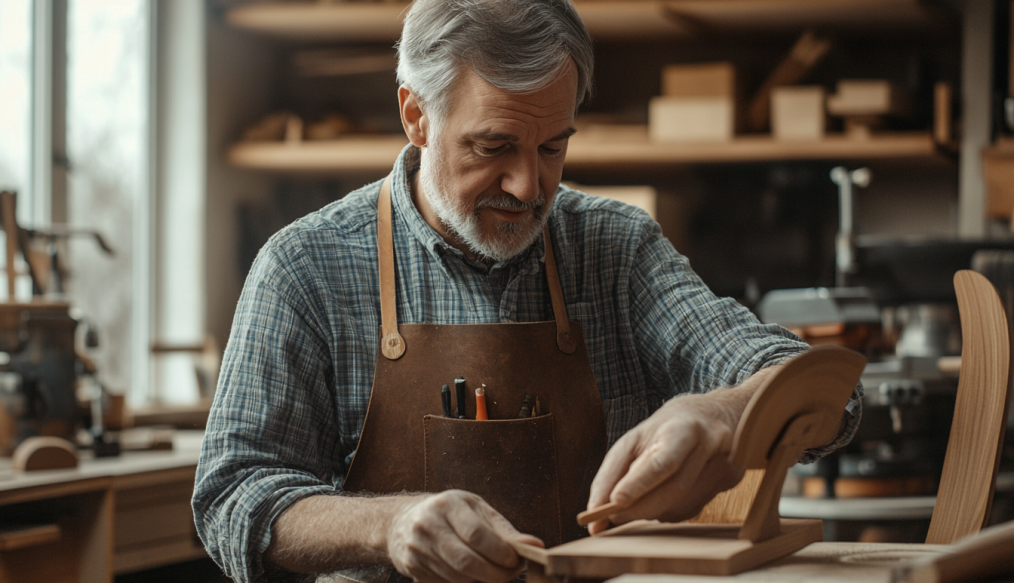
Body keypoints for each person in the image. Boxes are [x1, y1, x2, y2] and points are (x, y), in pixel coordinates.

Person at [193, 1, 862, 582]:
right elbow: (231, 496)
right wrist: (385, 526)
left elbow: (828, 392)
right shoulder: (305, 267)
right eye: (494, 147)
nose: (528, 187)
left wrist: (728, 412)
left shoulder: (616, 250)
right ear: (416, 116)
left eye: (552, 149)